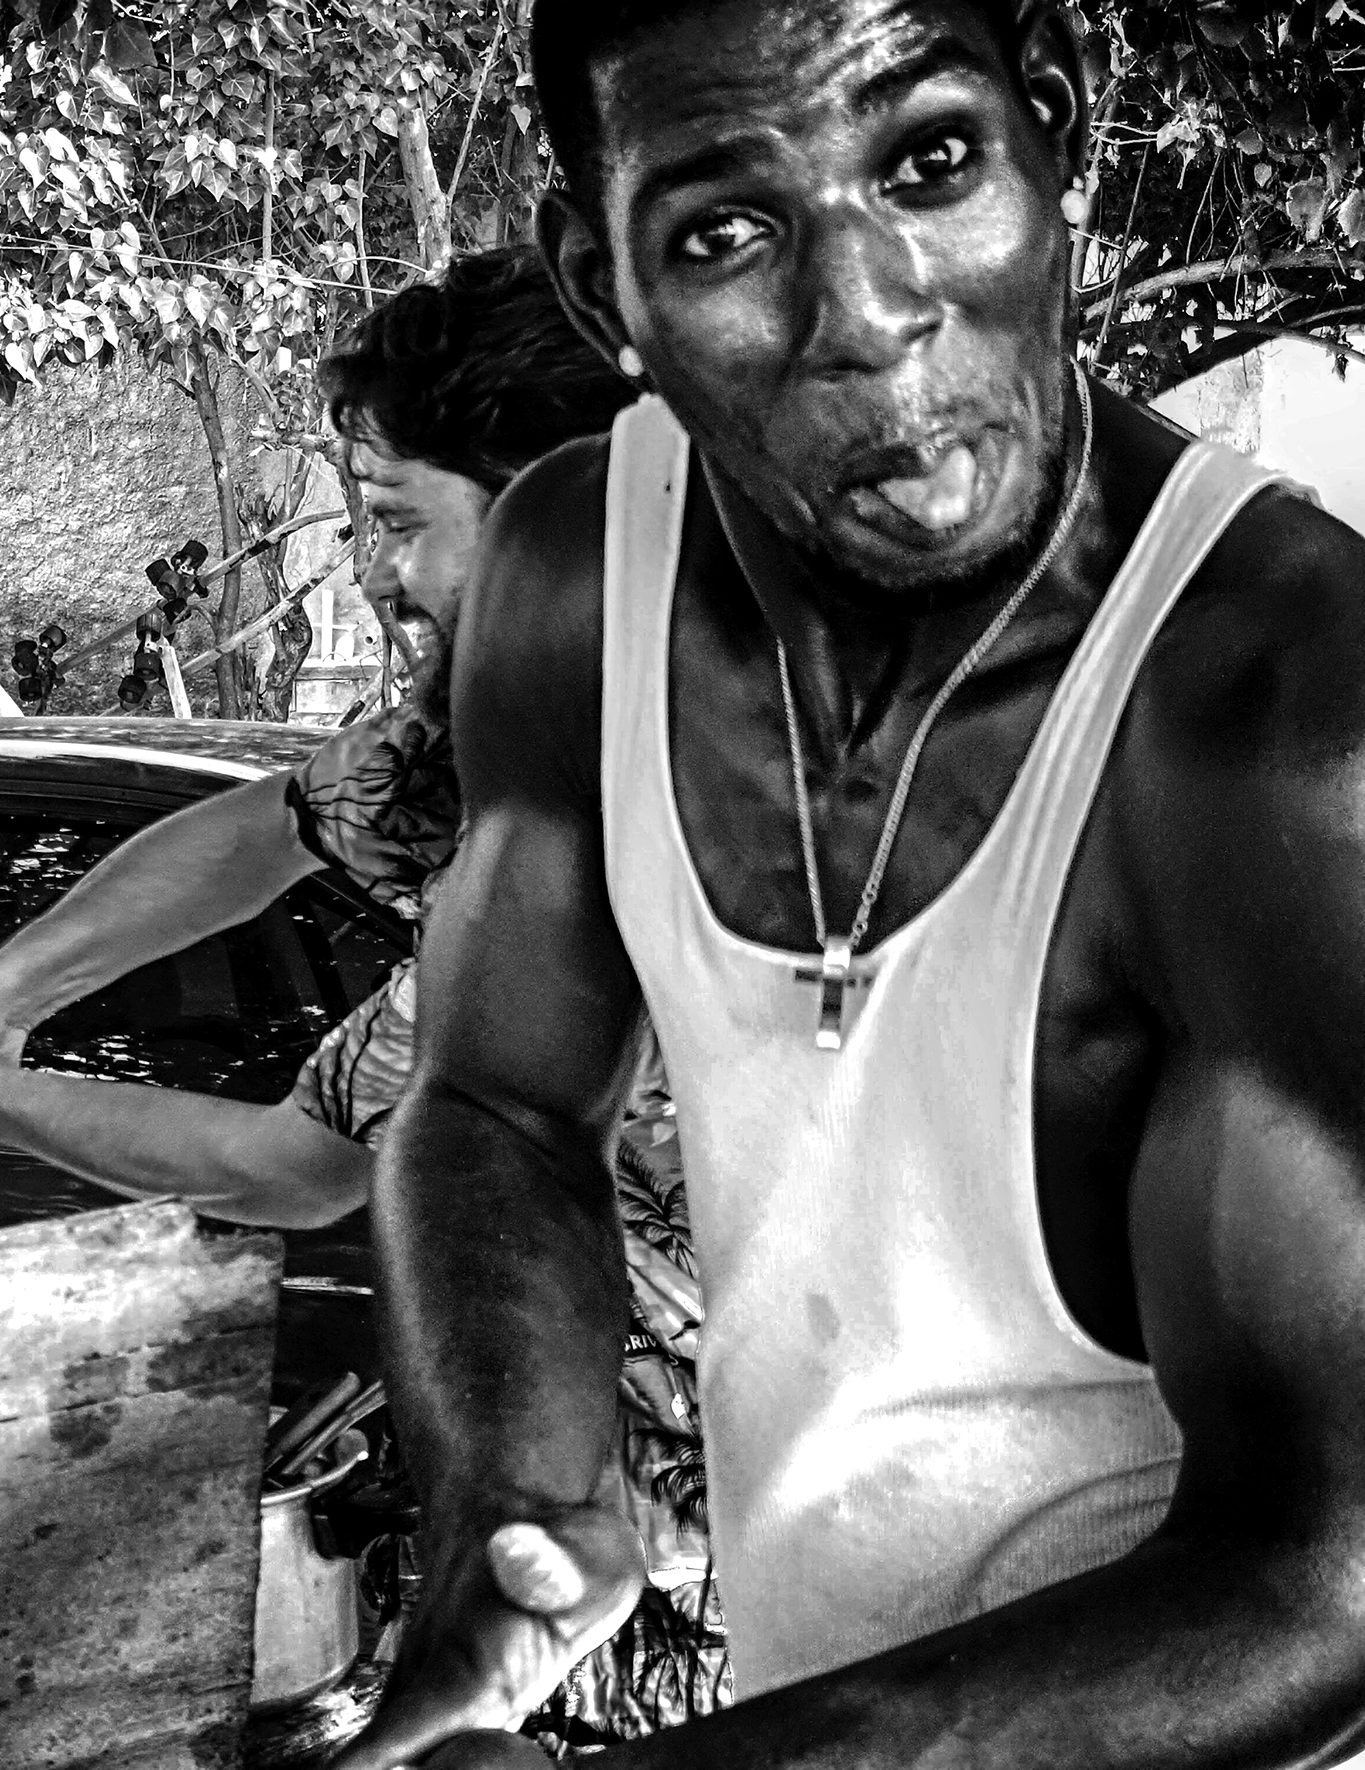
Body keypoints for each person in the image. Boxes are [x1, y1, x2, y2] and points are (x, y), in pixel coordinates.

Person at [331, 3, 1365, 1767]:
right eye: (727, 233)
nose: (873, 319)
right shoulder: (583, 569)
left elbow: (1329, 1569)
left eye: (930, 161)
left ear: (1054, 134)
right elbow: (498, 1108)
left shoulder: (1283, 715)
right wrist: (513, 1521)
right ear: (607, 294)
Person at [0, 251, 715, 1745]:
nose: (368, 573)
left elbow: (290, 1169)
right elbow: (270, 826)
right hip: (604, 1567)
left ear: (571, 510)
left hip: (781, 1600)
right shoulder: (497, 729)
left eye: (398, 521)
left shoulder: (640, 831)